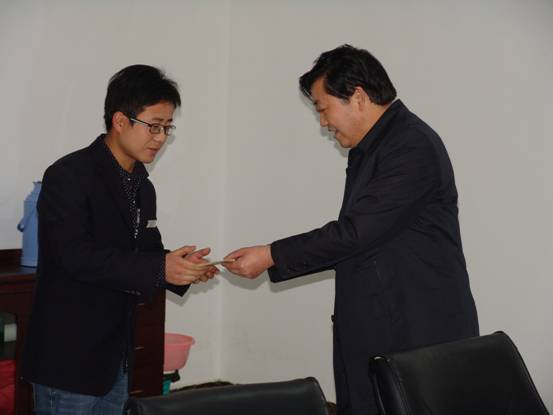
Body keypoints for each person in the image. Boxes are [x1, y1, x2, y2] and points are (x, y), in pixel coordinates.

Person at [224, 45, 479, 415]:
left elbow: (356, 233)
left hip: (416, 330)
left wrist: (270, 255)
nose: (323, 122)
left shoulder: (411, 146)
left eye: (322, 108)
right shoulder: (373, 146)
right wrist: (271, 257)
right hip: (379, 324)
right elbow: (359, 240)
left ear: (357, 97)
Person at [22, 65, 218, 414]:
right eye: (154, 126)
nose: (161, 137)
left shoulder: (143, 186)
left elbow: (146, 253)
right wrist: (161, 267)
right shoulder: (68, 176)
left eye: (167, 127)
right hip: (68, 360)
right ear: (120, 121)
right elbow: (76, 257)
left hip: (115, 357)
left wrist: (183, 267)